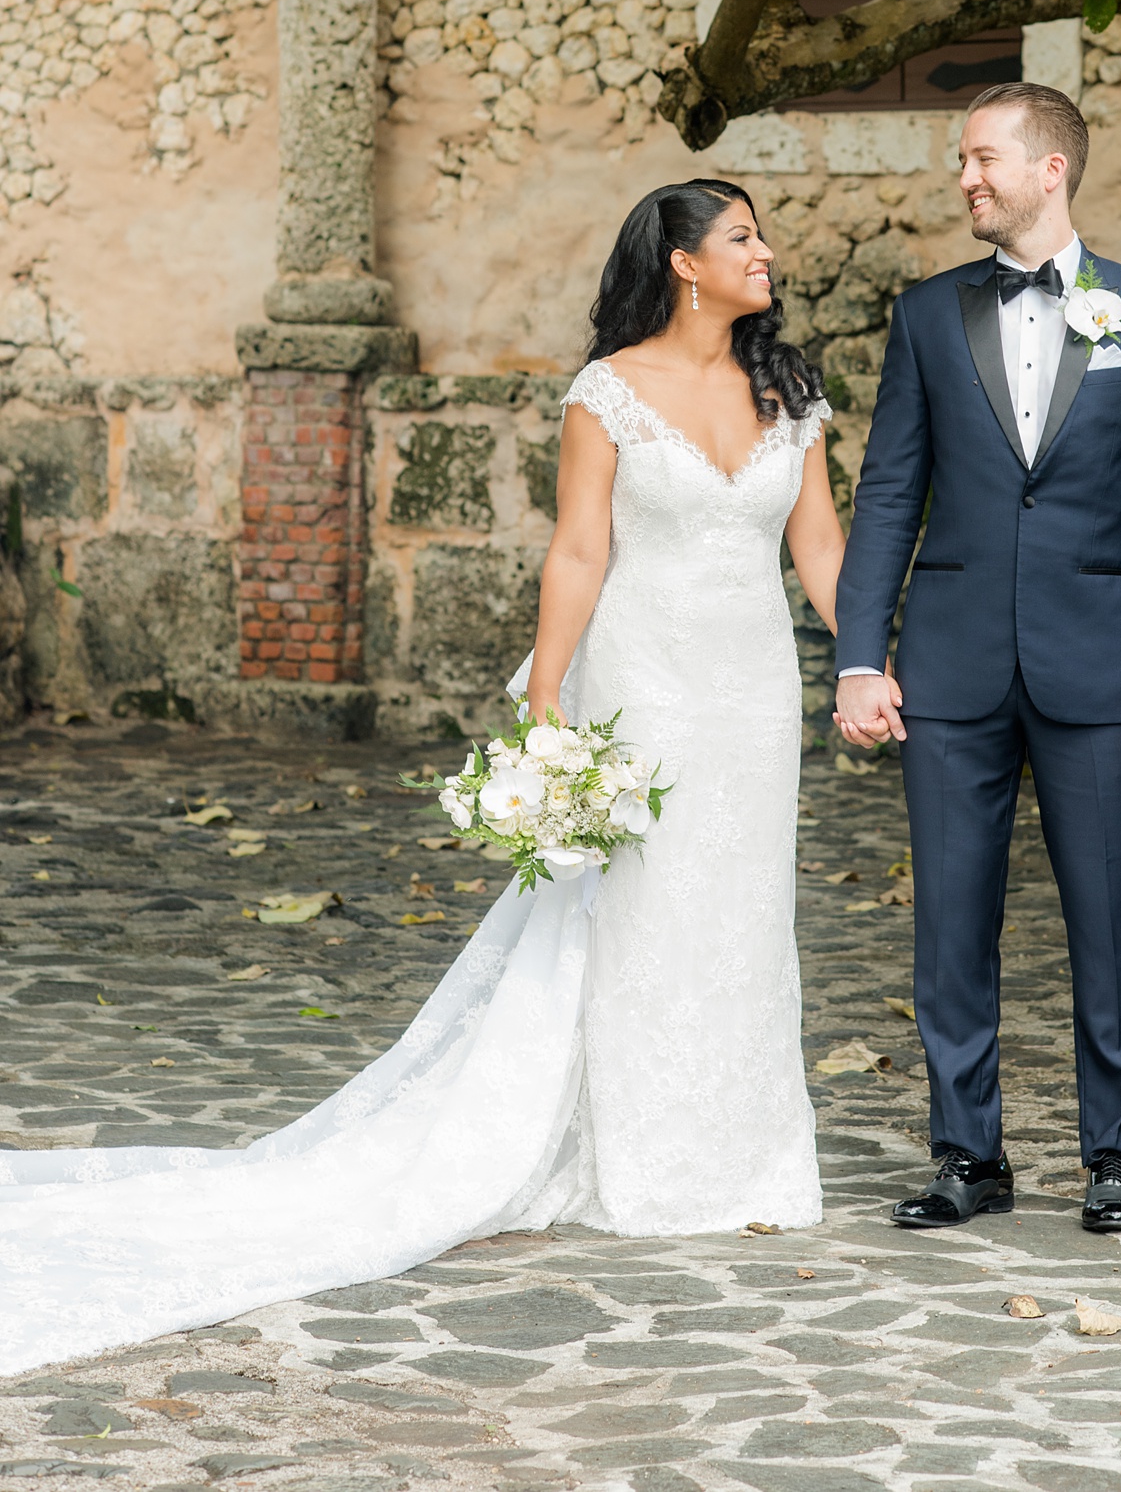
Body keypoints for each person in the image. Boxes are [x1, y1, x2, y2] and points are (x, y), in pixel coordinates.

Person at [0, 179, 842, 1376]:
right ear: (681, 264)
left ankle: (743, 1160)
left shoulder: (790, 389)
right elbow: (580, 547)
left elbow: (817, 542)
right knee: (644, 910)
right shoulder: (604, 394)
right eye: (743, 238)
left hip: (753, 694)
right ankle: (635, 1159)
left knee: (744, 910)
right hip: (644, 684)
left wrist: (866, 657)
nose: (767, 253)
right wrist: (548, 698)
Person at [833, 81, 1121, 1235]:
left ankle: (1114, 1160)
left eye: (983, 157)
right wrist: (860, 654)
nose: (966, 177)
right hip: (947, 670)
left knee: (1110, 922)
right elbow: (889, 491)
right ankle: (968, 1156)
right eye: (962, 159)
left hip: (1097, 668)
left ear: (1050, 169)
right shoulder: (924, 316)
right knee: (950, 924)